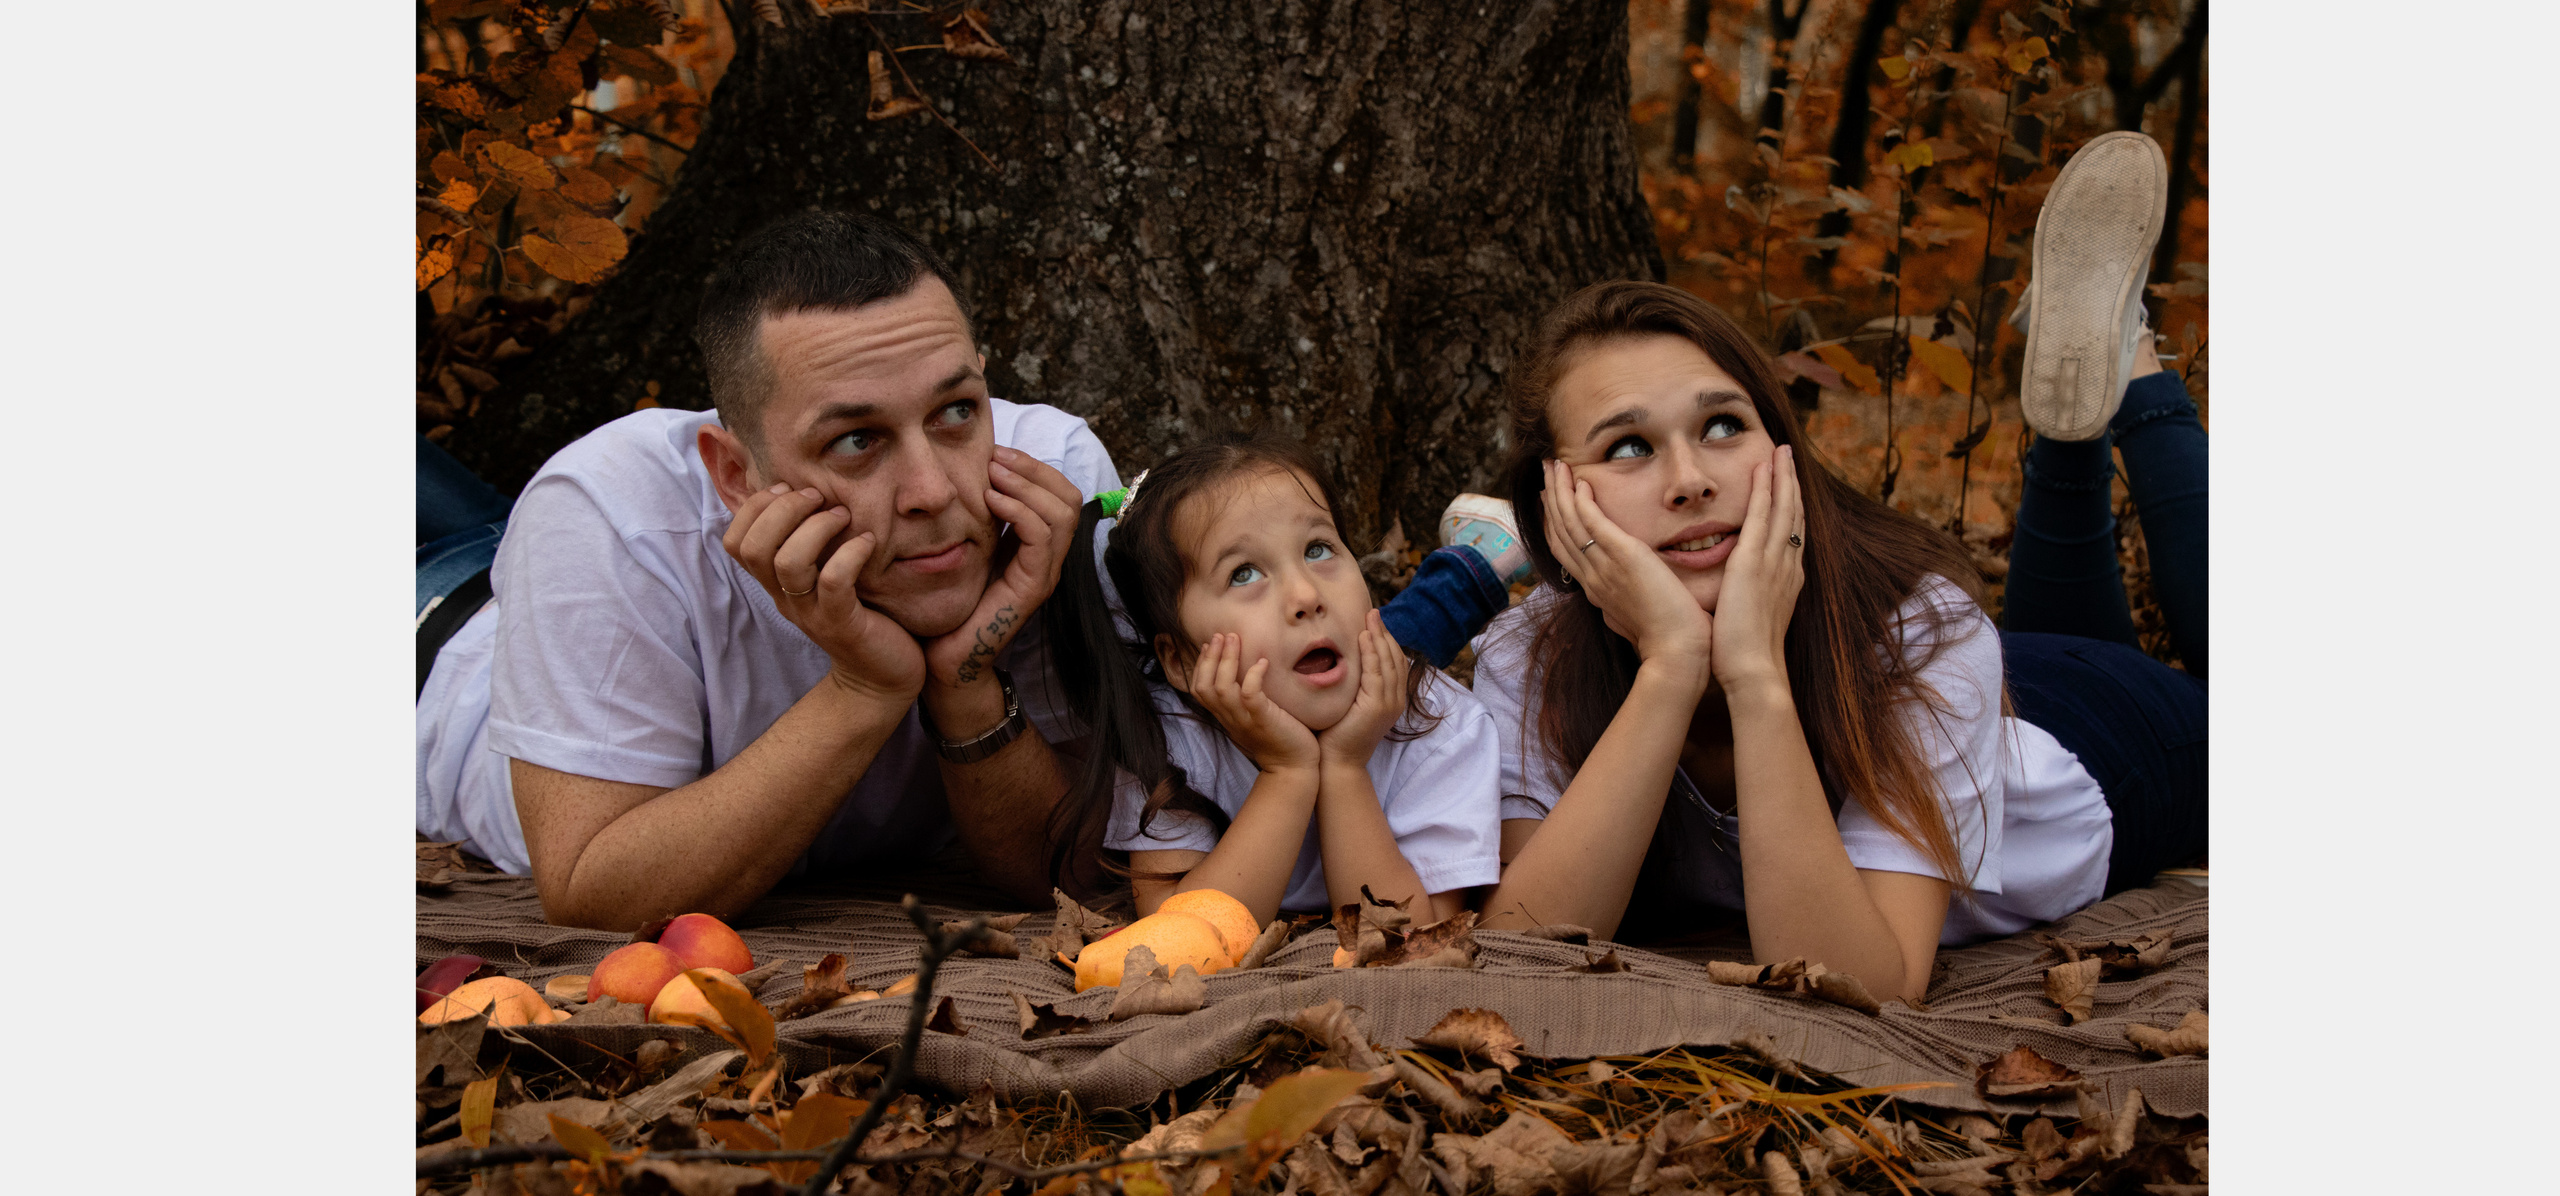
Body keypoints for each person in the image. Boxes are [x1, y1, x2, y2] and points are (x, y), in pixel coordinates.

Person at [416, 210, 1522, 928]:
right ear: (735, 470)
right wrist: (863, 685)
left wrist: (963, 670)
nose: (936, 488)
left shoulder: (1050, 482)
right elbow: (594, 884)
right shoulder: (605, 510)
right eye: (856, 441)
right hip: (433, 632)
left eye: (956, 413)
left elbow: (1064, 868)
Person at [1468, 132, 2205, 1002]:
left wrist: (1751, 672)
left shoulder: (1926, 633)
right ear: (1554, 499)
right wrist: (1670, 667)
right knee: (2039, 633)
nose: (1692, 480)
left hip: (2101, 743)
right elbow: (1524, 951)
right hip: (1979, 694)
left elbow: (1869, 984)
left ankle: (2142, 381)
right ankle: (2077, 419)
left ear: (1781, 448)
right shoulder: (1528, 659)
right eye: (1629, 446)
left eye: (1721, 425)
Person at [1042, 433, 1504, 925]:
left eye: (1319, 548)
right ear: (1179, 662)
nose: (1306, 593)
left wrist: (1346, 768)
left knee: (1400, 635)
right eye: (1243, 574)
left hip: (1372, 659)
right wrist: (1287, 771)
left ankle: (1473, 567)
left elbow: (1418, 936)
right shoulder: (1168, 734)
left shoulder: (1441, 726)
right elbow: (1181, 935)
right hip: (1314, 661)